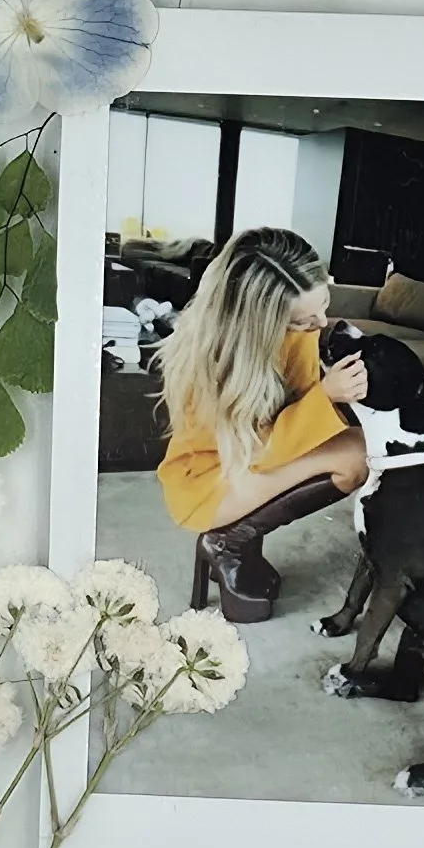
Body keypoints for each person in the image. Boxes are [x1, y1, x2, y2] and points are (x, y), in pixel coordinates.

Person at [155, 227, 368, 619]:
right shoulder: (214, 357)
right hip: (209, 478)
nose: (320, 323)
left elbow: (300, 406)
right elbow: (254, 450)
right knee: (355, 455)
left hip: (257, 458)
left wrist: (330, 388)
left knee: (359, 448)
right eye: (305, 320)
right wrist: (327, 397)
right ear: (259, 320)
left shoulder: (296, 327)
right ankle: (228, 540)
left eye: (324, 303)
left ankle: (240, 537)